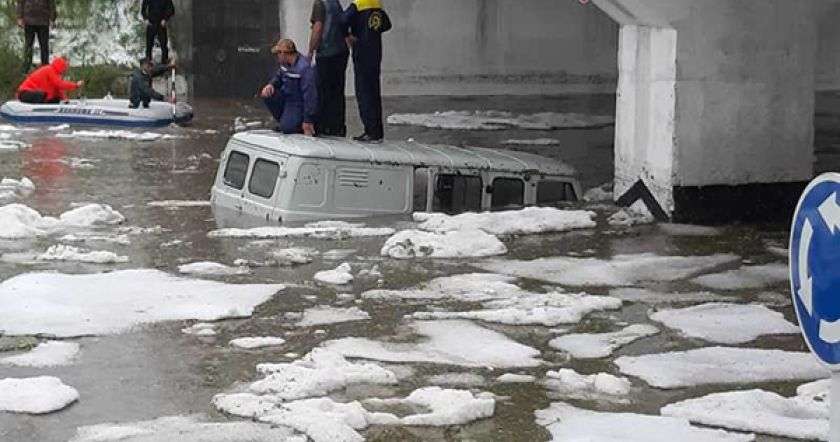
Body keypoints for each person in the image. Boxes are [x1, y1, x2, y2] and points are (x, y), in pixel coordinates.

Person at [342, 0, 391, 143]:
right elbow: (387, 25)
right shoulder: (377, 4)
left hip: (362, 52)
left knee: (364, 93)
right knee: (374, 92)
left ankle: (370, 132)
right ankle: (377, 132)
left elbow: (342, 21)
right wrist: (372, 32)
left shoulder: (358, 4)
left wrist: (348, 35)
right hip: (375, 52)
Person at [260, 39, 317, 136]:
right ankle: (284, 120)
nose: (277, 56)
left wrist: (308, 120)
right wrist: (271, 85)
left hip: (299, 102)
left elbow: (310, 95)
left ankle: (294, 125)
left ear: (284, 53)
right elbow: (278, 77)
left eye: (278, 53)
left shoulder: (304, 68)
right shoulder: (284, 65)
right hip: (287, 98)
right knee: (267, 95)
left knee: (288, 128)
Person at [308, 0, 349, 137]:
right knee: (337, 91)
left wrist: (311, 51)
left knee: (322, 91)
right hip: (341, 52)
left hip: (326, 53)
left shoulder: (319, 4)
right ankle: (338, 127)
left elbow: (318, 28)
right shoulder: (335, 3)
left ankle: (323, 127)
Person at [16, 56, 83, 104]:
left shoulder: (55, 74)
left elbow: (58, 89)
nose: (67, 68)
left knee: (55, 98)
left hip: (30, 94)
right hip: (25, 93)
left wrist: (65, 100)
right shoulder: (50, 70)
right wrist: (76, 85)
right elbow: (59, 84)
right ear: (62, 65)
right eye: (66, 65)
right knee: (43, 96)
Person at [16, 0, 56, 72]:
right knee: (29, 45)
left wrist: (52, 18)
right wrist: (19, 17)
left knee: (44, 45)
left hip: (43, 20)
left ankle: (45, 67)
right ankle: (26, 67)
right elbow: (20, 2)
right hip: (29, 20)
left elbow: (51, 3)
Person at [141, 0, 175, 65]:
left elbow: (171, 9)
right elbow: (143, 9)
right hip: (151, 22)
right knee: (149, 45)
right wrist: (145, 19)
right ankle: (148, 63)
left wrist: (165, 19)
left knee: (163, 45)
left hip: (161, 23)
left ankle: (164, 62)